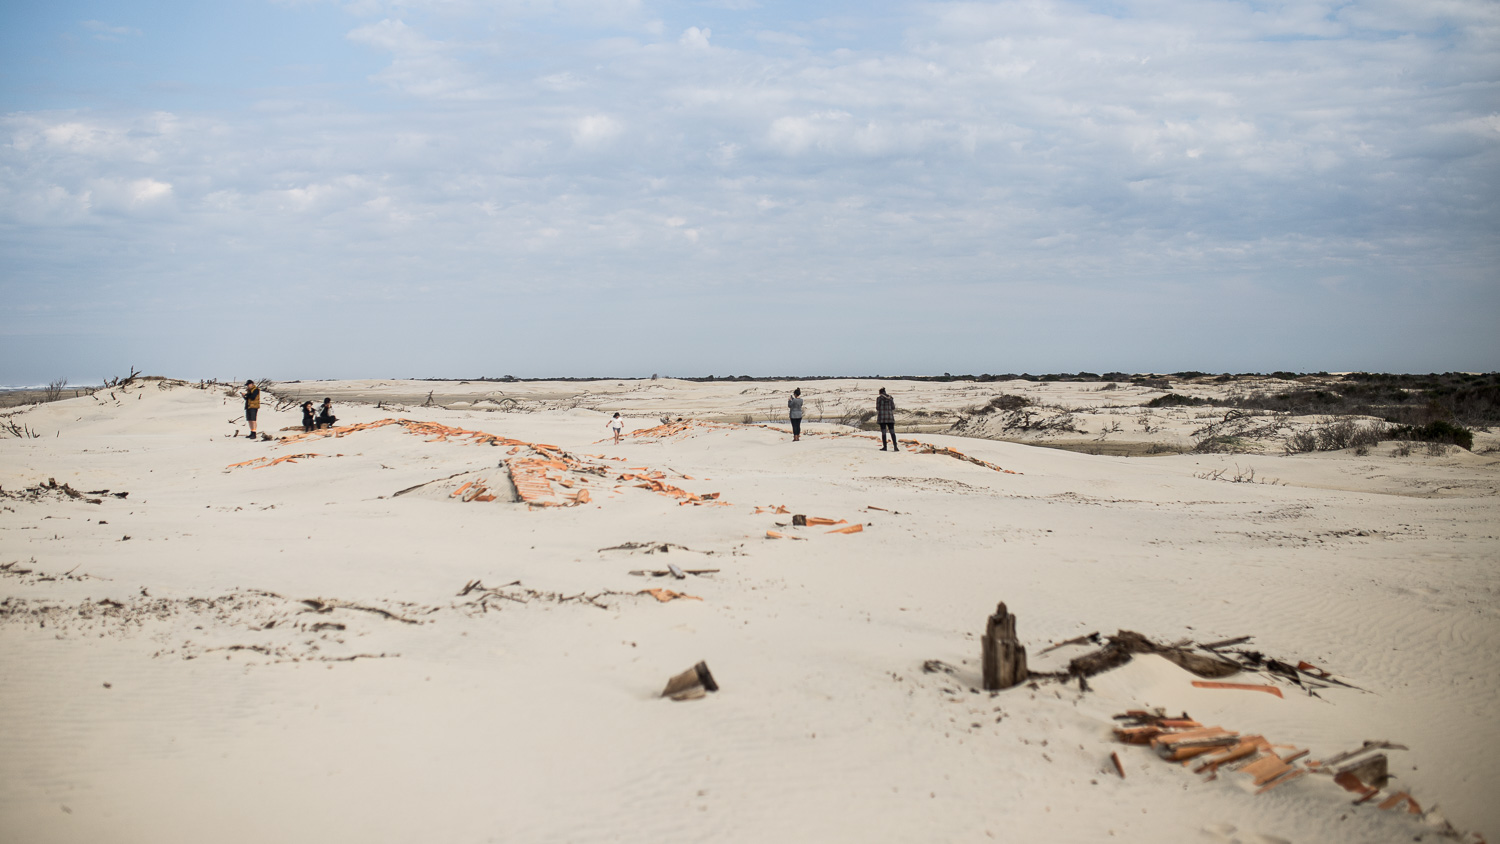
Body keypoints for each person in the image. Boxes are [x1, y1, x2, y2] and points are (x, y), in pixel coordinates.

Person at [876, 387, 899, 451]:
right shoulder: (890, 398)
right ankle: (895, 447)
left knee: (883, 432)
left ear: (880, 392)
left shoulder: (879, 399)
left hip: (882, 417)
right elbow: (893, 407)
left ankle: (885, 447)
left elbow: (877, 408)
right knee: (892, 432)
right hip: (890, 417)